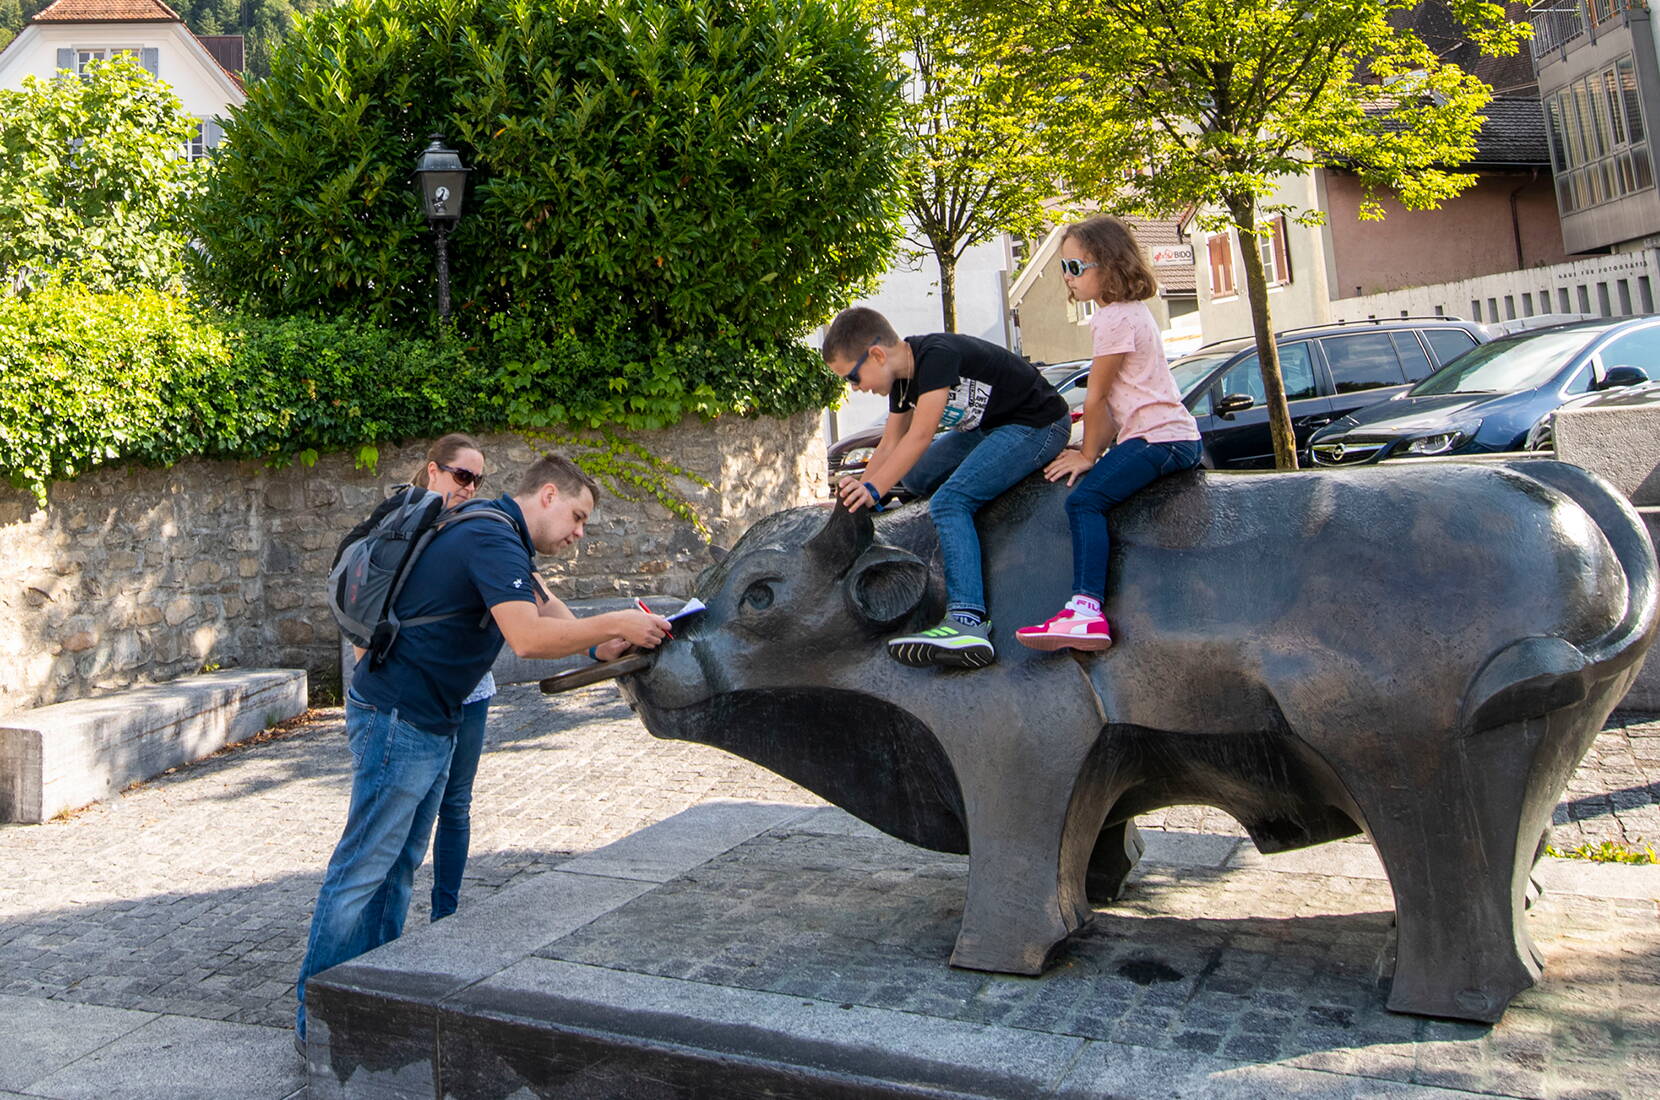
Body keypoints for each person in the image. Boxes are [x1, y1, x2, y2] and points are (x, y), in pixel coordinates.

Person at [295, 453, 671, 1046]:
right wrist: (614, 621)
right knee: (364, 869)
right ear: (548, 495)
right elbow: (526, 636)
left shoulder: (496, 529)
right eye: (576, 518)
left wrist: (602, 646)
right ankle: (319, 1026)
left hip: (423, 715)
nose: (578, 534)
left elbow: (548, 609)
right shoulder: (493, 536)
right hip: (400, 716)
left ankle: (366, 1000)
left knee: (395, 870)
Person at [822, 307, 1071, 669]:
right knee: (916, 477)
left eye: (853, 377)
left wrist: (874, 489)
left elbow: (920, 436)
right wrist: (859, 499)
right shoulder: (902, 382)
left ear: (876, 354)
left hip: (1036, 425)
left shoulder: (935, 356)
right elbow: (891, 444)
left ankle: (967, 621)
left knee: (951, 503)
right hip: (987, 429)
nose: (857, 388)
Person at [1015, 215, 1203, 652]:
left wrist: (1087, 455)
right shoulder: (1130, 313)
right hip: (1170, 436)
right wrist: (1094, 444)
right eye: (1064, 267)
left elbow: (1097, 397)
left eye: (1076, 268)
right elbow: (1118, 400)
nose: (1067, 277)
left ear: (1110, 266)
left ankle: (1086, 611)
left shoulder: (1112, 319)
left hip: (1158, 438)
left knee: (1085, 501)